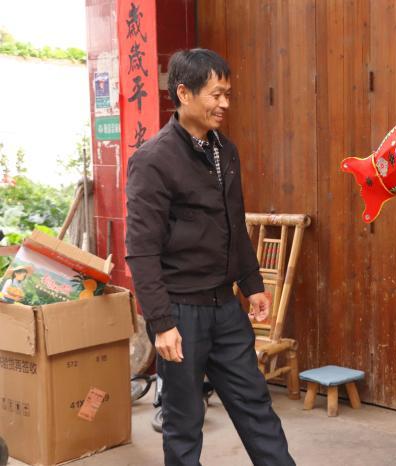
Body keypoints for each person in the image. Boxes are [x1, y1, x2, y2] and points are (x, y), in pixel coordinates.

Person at [126, 48, 295, 466]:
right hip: (181, 312)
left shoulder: (225, 151)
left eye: (228, 94)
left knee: (256, 407)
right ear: (184, 93)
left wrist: (252, 284)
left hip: (225, 308)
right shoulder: (153, 160)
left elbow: (234, 222)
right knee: (184, 421)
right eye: (216, 94)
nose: (225, 104)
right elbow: (142, 251)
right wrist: (162, 323)